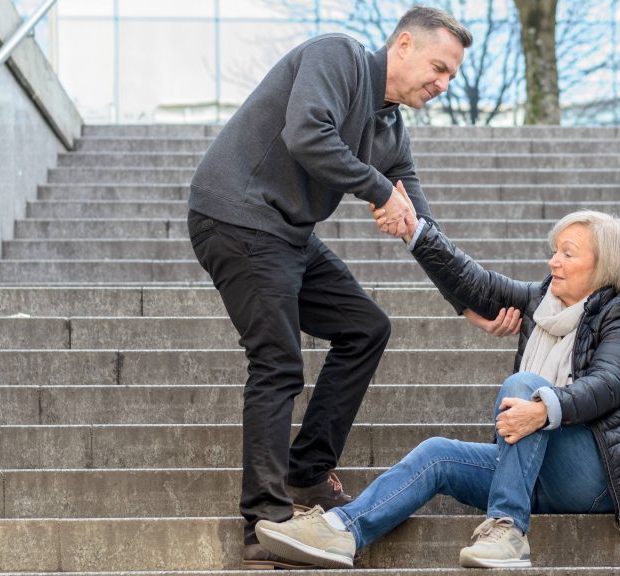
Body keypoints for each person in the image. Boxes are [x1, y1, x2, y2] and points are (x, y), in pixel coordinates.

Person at [185, 7, 473, 569]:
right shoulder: (336, 56)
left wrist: (471, 303)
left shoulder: (390, 130)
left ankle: (307, 472)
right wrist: (377, 189)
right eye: (438, 67)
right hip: (236, 214)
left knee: (366, 327)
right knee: (277, 360)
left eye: (451, 77)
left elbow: (422, 225)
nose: (442, 84)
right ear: (405, 45)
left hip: (287, 233)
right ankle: (264, 521)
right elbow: (307, 134)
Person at [253, 207, 620, 569]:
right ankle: (341, 531)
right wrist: (415, 231)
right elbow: (474, 282)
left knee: (525, 385)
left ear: (604, 265)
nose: (553, 261)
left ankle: (508, 529)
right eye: (554, 251)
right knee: (437, 454)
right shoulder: (542, 303)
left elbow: (612, 383)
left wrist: (544, 408)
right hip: (535, 470)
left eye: (568, 254)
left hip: (597, 474)